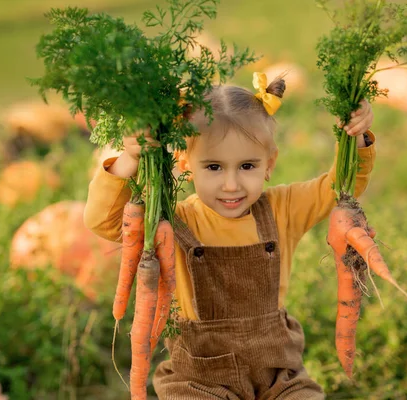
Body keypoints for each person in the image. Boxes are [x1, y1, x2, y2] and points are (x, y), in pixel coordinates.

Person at [83, 72, 376, 399]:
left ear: (269, 163)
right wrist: (129, 160)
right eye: (214, 167)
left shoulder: (283, 208)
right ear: (185, 162)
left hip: (279, 377)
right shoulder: (175, 220)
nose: (232, 184)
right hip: (198, 381)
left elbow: (340, 187)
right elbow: (104, 221)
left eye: (247, 166)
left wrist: (356, 135)